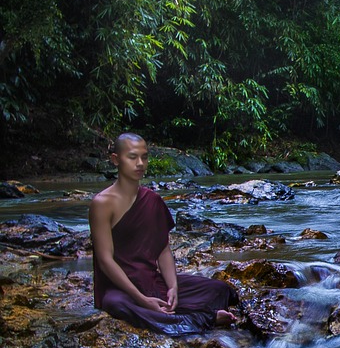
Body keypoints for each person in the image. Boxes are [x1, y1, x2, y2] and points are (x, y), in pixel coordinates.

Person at [89, 132, 238, 334]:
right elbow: (105, 260)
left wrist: (173, 287)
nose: (140, 163)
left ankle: (171, 308)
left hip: (151, 281)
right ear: (116, 160)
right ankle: (205, 318)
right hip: (120, 289)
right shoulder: (102, 204)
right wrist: (141, 298)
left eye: (145, 157)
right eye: (132, 157)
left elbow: (163, 250)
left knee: (219, 289)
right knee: (118, 305)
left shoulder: (153, 199)